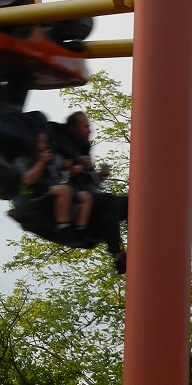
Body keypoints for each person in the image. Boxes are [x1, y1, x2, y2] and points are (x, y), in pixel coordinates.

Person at [60, 111, 128, 274]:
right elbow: (58, 178)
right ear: (73, 128)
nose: (89, 131)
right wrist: (76, 169)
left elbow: (90, 183)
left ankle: (138, 248)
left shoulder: (82, 148)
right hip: (73, 198)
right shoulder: (62, 147)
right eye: (85, 126)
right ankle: (117, 254)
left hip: (90, 196)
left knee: (129, 203)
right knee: (110, 202)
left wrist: (99, 175)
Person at [10, 132, 92, 244]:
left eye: (46, 143)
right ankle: (63, 229)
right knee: (65, 190)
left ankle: (80, 231)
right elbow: (27, 180)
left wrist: (69, 172)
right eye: (40, 142)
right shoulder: (22, 158)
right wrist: (41, 162)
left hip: (45, 190)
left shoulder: (49, 159)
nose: (44, 146)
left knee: (85, 196)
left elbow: (57, 180)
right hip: (29, 198)